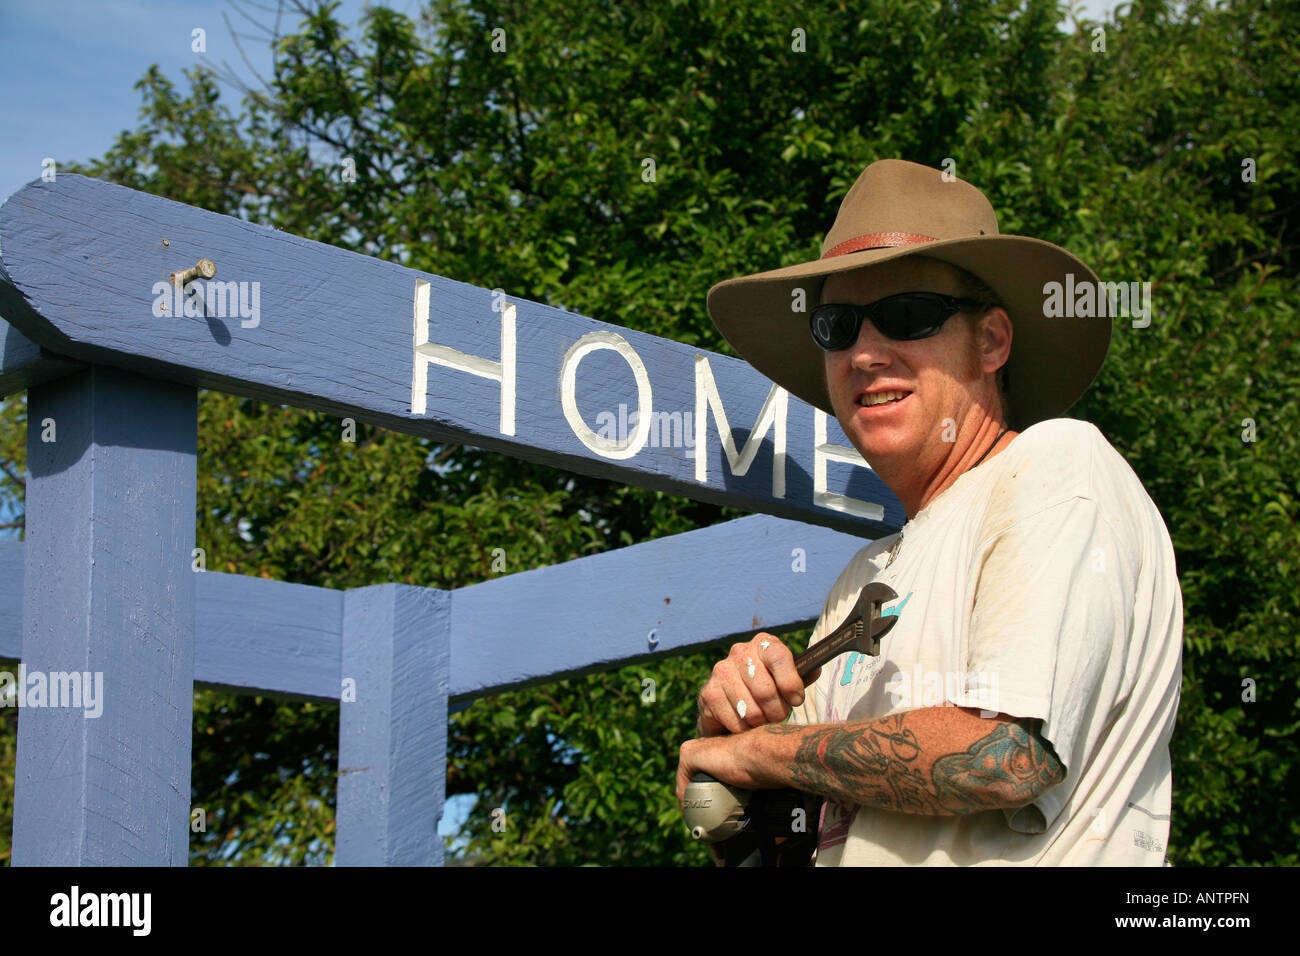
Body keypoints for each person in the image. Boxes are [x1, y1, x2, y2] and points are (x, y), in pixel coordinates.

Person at [676, 159, 1183, 865]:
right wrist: (725, 746)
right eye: (837, 326)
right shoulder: (860, 579)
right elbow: (778, 845)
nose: (864, 353)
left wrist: (765, 749)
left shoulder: (1057, 464)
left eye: (908, 315)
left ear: (993, 342)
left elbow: (1006, 757)